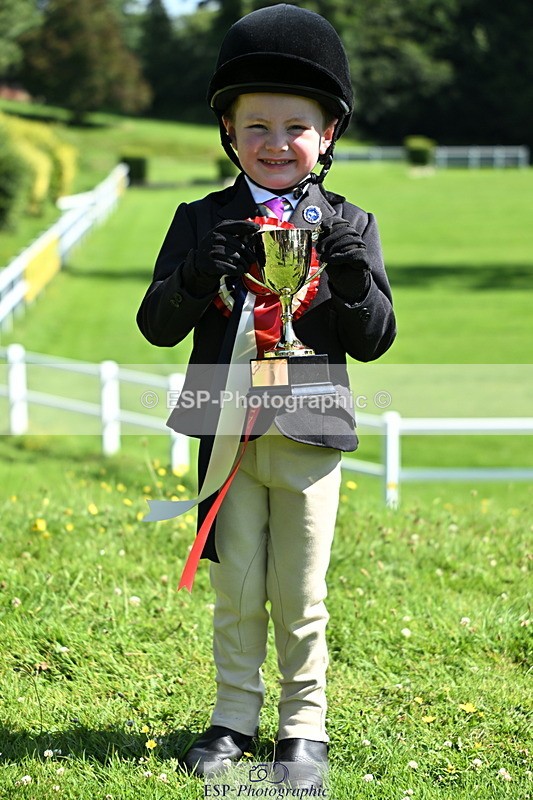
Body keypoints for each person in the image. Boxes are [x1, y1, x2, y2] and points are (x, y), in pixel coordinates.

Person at [137, 3, 396, 788]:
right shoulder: (200, 219)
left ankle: (303, 728)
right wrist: (192, 275)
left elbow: (377, 335)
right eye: (256, 127)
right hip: (224, 433)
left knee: (300, 589)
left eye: (295, 127)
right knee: (237, 586)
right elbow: (155, 324)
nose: (275, 144)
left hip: (311, 428)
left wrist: (350, 280)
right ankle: (231, 719)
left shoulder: (349, 222)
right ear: (227, 133)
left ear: (326, 136)